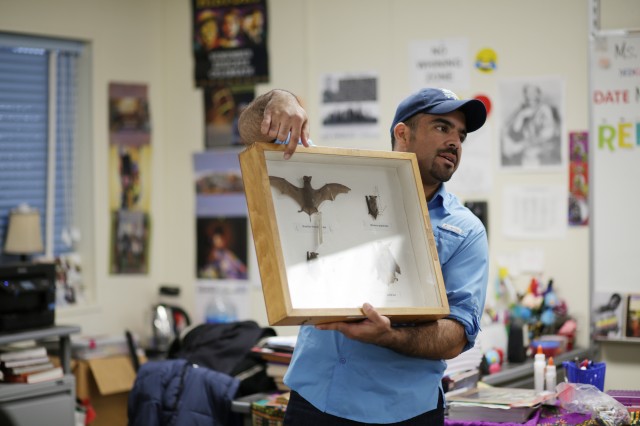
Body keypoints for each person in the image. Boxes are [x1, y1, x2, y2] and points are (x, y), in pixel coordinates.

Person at [238, 88, 489, 425]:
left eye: (461, 135)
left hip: (404, 411)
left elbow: (457, 335)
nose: (455, 142)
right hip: (316, 400)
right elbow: (249, 130)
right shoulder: (346, 180)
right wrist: (279, 101)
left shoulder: (466, 230)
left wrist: (390, 337)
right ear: (403, 133)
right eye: (442, 128)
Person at [501, 84, 561, 167]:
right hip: (524, 148)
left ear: (538, 95)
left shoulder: (545, 109)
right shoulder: (522, 109)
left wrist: (526, 144)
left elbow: (549, 133)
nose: (530, 96)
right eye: (528, 93)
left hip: (539, 146)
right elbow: (513, 131)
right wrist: (521, 116)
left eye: (533, 93)